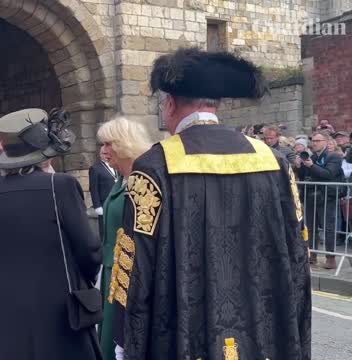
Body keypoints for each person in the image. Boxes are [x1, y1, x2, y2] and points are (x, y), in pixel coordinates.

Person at [119, 48, 311, 359]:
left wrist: (126, 338)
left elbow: (135, 265)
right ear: (215, 105)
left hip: (183, 333)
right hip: (262, 332)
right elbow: (298, 253)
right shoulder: (275, 162)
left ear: (169, 104)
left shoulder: (154, 167)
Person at [0, 108, 102, 360]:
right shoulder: (61, 186)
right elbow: (89, 249)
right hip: (59, 303)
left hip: (10, 301)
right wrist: (86, 280)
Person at [95, 117, 151, 360]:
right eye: (103, 144)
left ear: (125, 144)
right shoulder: (121, 179)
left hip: (132, 276)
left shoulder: (143, 180)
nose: (104, 150)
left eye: (109, 144)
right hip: (111, 272)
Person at [299, 131, 345, 269]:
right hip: (310, 196)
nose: (314, 143)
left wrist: (311, 166)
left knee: (328, 227)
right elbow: (304, 176)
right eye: (313, 140)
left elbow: (328, 174)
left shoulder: (334, 157)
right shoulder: (310, 156)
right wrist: (300, 165)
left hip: (326, 197)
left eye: (318, 141)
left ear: (326, 141)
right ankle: (312, 255)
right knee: (311, 227)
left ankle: (330, 258)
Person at [89, 145, 118, 241]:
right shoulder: (95, 168)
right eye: (104, 153)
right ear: (100, 155)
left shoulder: (115, 165)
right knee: (105, 231)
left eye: (108, 153)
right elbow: (93, 188)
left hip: (115, 201)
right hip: (104, 203)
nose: (106, 156)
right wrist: (97, 206)